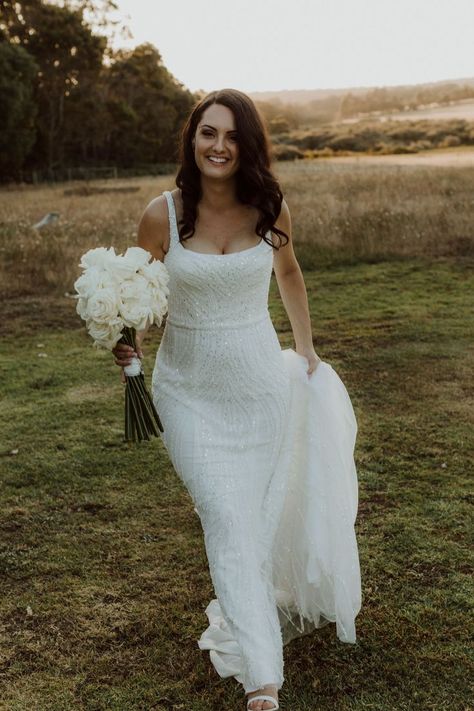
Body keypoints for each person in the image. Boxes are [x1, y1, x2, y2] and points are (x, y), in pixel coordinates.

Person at [112, 88, 361, 711]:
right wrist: (126, 343)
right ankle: (263, 682)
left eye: (231, 136)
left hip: (260, 391)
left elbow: (290, 273)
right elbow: (134, 294)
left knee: (251, 524)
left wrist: (306, 352)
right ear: (192, 140)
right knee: (226, 520)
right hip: (188, 393)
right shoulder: (161, 215)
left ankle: (246, 613)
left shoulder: (269, 207)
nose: (218, 146)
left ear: (247, 146)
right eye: (207, 133)